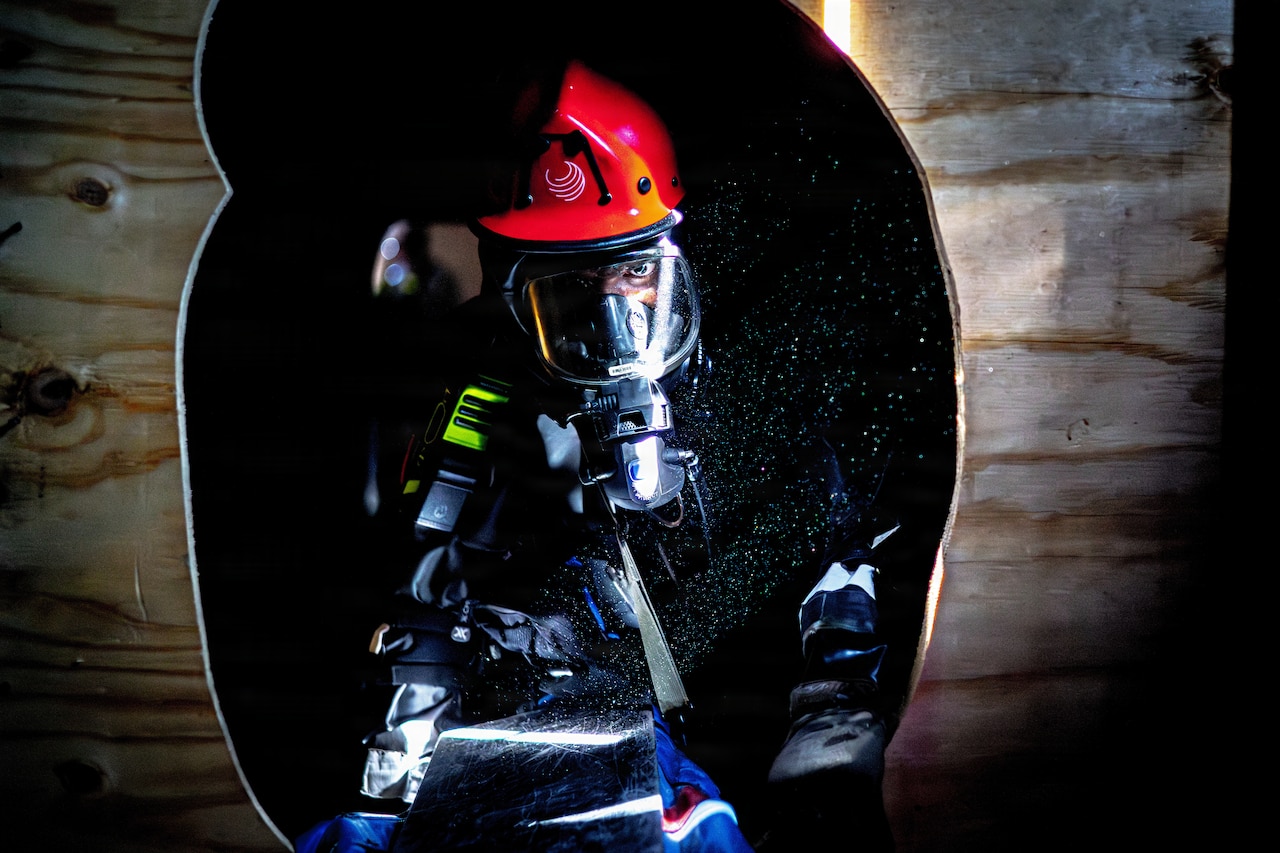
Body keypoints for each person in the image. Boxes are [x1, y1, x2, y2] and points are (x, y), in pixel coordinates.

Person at [299, 59, 900, 852]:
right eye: (573, 287)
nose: (614, 318)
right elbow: (428, 600)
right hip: (568, 723)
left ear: (674, 259)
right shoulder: (480, 415)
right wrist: (394, 783)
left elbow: (831, 558)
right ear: (512, 294)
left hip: (719, 717)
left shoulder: (752, 392)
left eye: (636, 272)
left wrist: (830, 734)